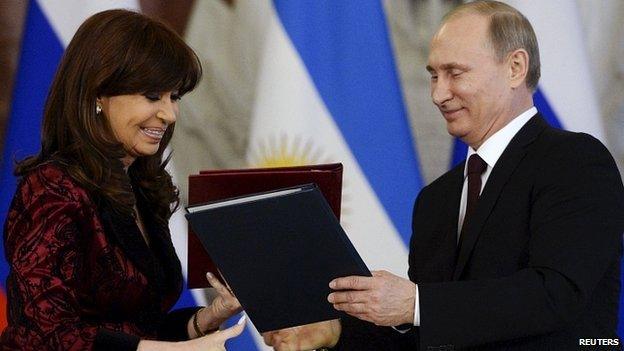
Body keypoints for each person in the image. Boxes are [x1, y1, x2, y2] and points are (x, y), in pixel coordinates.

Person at [264, 1, 624, 350]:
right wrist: (335, 333)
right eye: (434, 75)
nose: (438, 94)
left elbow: (556, 294)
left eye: (455, 73)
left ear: (515, 67)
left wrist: (416, 303)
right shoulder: (437, 198)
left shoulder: (575, 162)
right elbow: (432, 334)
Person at [1, 9, 246, 350]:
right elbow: (44, 335)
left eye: (173, 97)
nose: (169, 114)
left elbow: (134, 327)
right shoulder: (53, 188)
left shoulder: (142, 187)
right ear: (99, 93)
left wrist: (205, 319)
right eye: (152, 96)